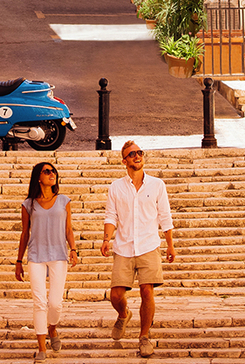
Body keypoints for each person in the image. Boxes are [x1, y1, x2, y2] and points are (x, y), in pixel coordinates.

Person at [100, 140, 175, 357]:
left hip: (149, 245)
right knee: (115, 295)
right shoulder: (116, 187)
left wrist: (170, 245)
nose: (137, 156)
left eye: (139, 152)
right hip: (123, 246)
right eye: (132, 154)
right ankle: (123, 314)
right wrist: (106, 238)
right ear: (125, 161)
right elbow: (111, 216)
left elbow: (165, 216)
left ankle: (144, 337)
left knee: (146, 290)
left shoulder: (157, 185)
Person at [15, 161, 78, 361]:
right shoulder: (28, 204)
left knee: (55, 303)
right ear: (38, 177)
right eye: (47, 171)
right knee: (39, 302)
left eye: (54, 171)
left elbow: (68, 229)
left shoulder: (64, 201)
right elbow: (25, 233)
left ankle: (53, 329)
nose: (52, 174)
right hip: (36, 256)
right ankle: (42, 346)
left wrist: (74, 249)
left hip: (59, 255)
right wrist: (18, 261)